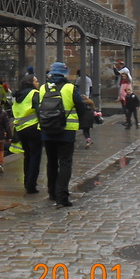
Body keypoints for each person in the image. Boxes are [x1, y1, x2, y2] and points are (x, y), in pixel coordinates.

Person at [40, 61, 89, 207]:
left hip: (47, 130)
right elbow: (81, 108)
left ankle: (52, 193)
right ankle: (62, 197)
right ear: (64, 74)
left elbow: (39, 108)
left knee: (51, 162)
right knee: (65, 163)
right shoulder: (70, 88)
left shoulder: (43, 88)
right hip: (66, 131)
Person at [11, 73, 43, 195]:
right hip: (34, 127)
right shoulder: (34, 94)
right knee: (35, 157)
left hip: (21, 129)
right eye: (36, 81)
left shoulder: (18, 96)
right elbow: (39, 111)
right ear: (31, 83)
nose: (38, 83)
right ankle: (31, 185)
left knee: (28, 156)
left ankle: (26, 181)